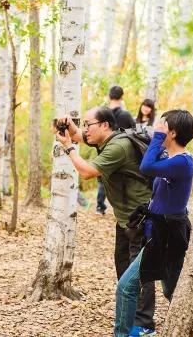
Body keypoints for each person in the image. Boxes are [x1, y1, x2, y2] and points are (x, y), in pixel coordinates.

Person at [56, 107, 156, 334]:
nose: (84, 130)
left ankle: (144, 325)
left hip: (141, 217)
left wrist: (68, 147)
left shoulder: (118, 147)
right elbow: (83, 137)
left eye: (88, 124)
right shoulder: (108, 140)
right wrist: (71, 129)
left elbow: (87, 172)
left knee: (139, 272)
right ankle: (129, 317)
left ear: (104, 125)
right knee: (123, 268)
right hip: (126, 219)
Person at [113, 109, 193, 337]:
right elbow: (148, 160)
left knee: (165, 290)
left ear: (173, 132)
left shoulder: (183, 163)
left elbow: (146, 167)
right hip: (159, 234)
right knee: (165, 290)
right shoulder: (170, 160)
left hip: (169, 236)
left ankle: (178, 327)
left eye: (163, 125)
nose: (158, 128)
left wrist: (158, 137)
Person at [97, 86, 137, 215]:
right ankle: (125, 210)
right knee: (124, 183)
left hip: (104, 154)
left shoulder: (102, 114)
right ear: (121, 97)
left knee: (103, 182)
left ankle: (100, 207)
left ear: (109, 96)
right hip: (124, 157)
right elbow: (134, 133)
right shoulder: (125, 115)